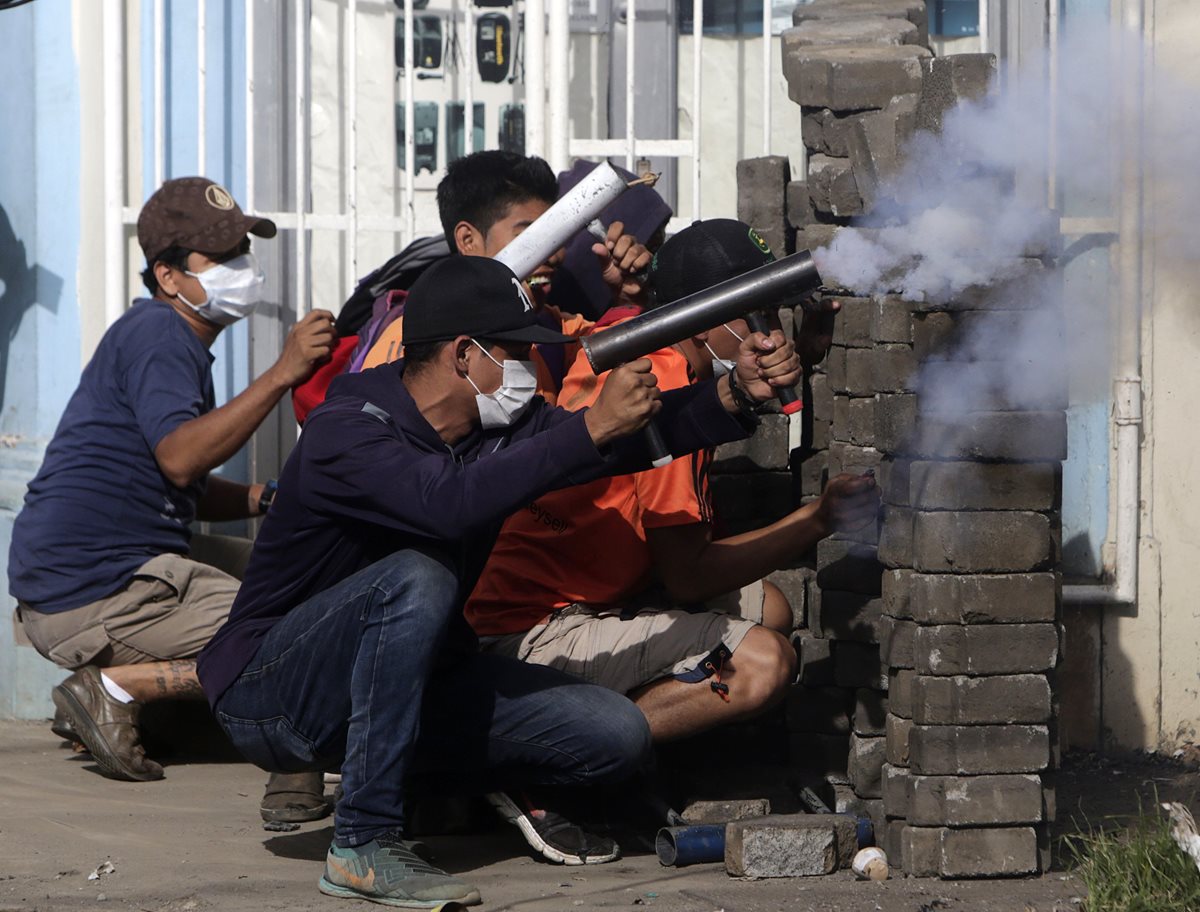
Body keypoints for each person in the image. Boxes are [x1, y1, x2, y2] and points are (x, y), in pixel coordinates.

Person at [196, 254, 802, 907]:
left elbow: (613, 444)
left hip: (416, 684)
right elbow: (447, 503)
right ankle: (363, 843)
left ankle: (453, 787)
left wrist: (732, 395)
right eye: (515, 353)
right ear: (464, 355)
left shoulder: (493, 427)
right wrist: (593, 427)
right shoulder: (349, 429)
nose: (529, 370)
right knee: (416, 576)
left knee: (614, 734)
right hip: (269, 692)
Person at [466, 219, 879, 747]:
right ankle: (546, 752)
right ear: (705, 317)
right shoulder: (663, 387)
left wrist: (805, 355)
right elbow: (688, 575)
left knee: (769, 606)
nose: (771, 331)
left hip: (567, 593)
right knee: (761, 664)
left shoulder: (632, 342)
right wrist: (818, 519)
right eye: (758, 314)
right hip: (531, 630)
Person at [8, 178, 334, 820]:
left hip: (94, 571)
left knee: (294, 579)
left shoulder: (165, 336)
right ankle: (114, 687)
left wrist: (264, 498)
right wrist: (282, 373)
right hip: (99, 588)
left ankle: (124, 701)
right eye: (223, 258)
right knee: (290, 631)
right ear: (169, 275)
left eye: (244, 251)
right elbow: (181, 456)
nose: (243, 269)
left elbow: (176, 482)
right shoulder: (161, 336)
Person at [358, 150, 652, 402]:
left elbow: (634, 365)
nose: (556, 254)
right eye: (532, 234)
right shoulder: (413, 341)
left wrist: (627, 299)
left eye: (557, 235)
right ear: (468, 241)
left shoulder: (556, 331)